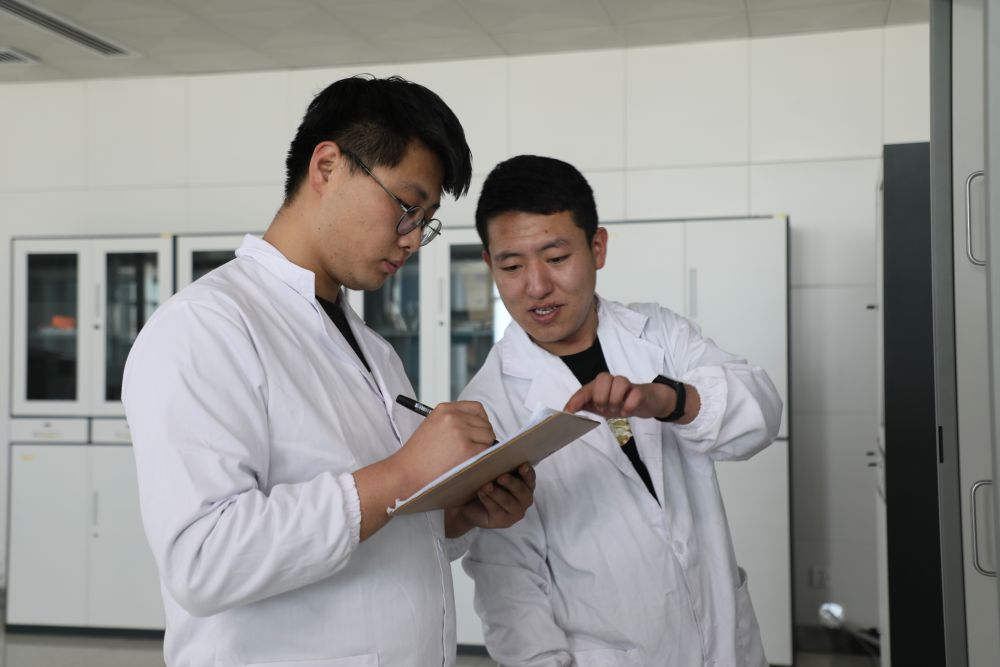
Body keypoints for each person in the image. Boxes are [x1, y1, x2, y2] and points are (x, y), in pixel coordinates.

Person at [122, 75, 535, 667]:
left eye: (425, 221)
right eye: (406, 208)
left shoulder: (373, 350)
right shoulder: (205, 327)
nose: (412, 240)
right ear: (327, 166)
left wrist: (457, 515)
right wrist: (403, 473)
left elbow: (372, 525)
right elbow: (204, 559)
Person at [460, 155, 783, 667]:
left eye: (555, 257)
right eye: (512, 266)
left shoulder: (659, 335)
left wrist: (669, 400)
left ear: (597, 248)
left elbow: (762, 413)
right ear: (490, 264)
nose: (536, 287)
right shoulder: (487, 407)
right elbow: (508, 581)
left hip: (722, 642)